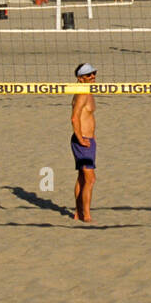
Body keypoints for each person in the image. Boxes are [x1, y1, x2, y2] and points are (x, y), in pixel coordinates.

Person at [70, 62, 98, 222]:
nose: (93, 76)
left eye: (94, 73)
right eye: (89, 75)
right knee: (90, 179)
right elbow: (74, 118)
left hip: (88, 141)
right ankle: (85, 214)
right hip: (83, 141)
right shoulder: (82, 94)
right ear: (80, 79)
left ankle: (78, 212)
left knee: (82, 177)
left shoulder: (88, 92)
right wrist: (80, 138)